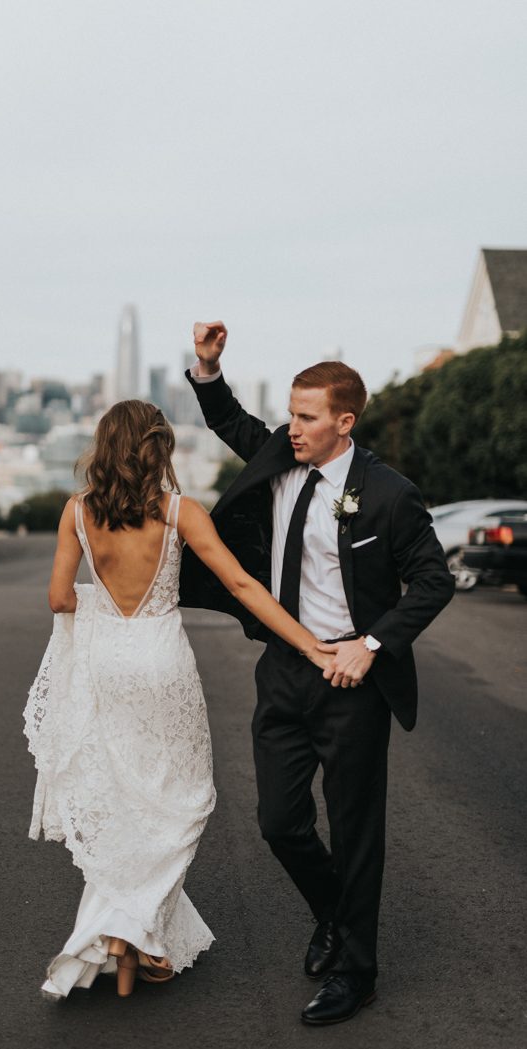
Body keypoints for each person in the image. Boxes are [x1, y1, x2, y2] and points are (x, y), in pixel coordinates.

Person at [180, 322, 455, 1025]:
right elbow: (227, 418)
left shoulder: (390, 494)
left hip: (352, 677)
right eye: (292, 414)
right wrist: (209, 368)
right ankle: (332, 909)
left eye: (306, 417)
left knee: (358, 826)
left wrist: (372, 643)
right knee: (279, 820)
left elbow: (432, 580)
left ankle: (356, 971)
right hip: (284, 665)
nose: (291, 427)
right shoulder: (280, 455)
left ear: (344, 421)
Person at [23, 399, 336, 1001]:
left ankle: (123, 935)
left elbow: (61, 599)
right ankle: (135, 931)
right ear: (159, 449)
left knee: (124, 795)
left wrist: (103, 606)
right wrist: (309, 643)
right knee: (180, 798)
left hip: (108, 663)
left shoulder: (77, 513)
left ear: (103, 447)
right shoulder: (179, 513)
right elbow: (241, 584)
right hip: (163, 659)